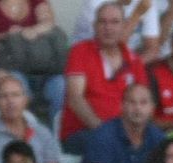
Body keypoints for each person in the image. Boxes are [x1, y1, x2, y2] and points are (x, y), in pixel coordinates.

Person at [59, 1, 147, 152]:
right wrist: (105, 132)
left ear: (124, 26)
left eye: (115, 22)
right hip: (82, 132)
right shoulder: (80, 52)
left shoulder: (134, 60)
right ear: (94, 26)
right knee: (113, 147)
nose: (108, 27)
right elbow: (75, 99)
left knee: (158, 142)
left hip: (124, 133)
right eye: (102, 22)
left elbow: (143, 102)